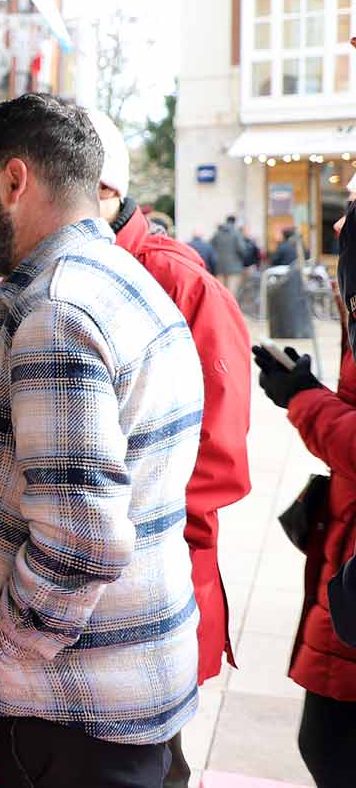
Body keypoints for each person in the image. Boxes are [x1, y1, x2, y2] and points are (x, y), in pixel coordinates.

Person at [0, 94, 202, 788]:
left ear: (15, 181)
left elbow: (82, 540)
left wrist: (13, 641)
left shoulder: (57, 309)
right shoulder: (121, 283)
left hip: (70, 714)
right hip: (103, 701)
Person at [86, 110, 253, 788]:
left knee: (152, 764)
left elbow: (221, 454)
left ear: (98, 191)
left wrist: (126, 529)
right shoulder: (89, 265)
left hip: (153, 584)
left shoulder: (177, 279)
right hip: (107, 588)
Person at [252, 199, 356, 788]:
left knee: (330, 746)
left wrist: (302, 397)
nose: (340, 224)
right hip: (341, 546)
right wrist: (311, 389)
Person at [211, 215, 248, 291]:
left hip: (219, 267)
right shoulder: (236, 233)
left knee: (220, 292)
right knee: (231, 293)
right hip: (234, 268)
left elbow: (211, 248)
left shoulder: (217, 233)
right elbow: (242, 249)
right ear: (234, 222)